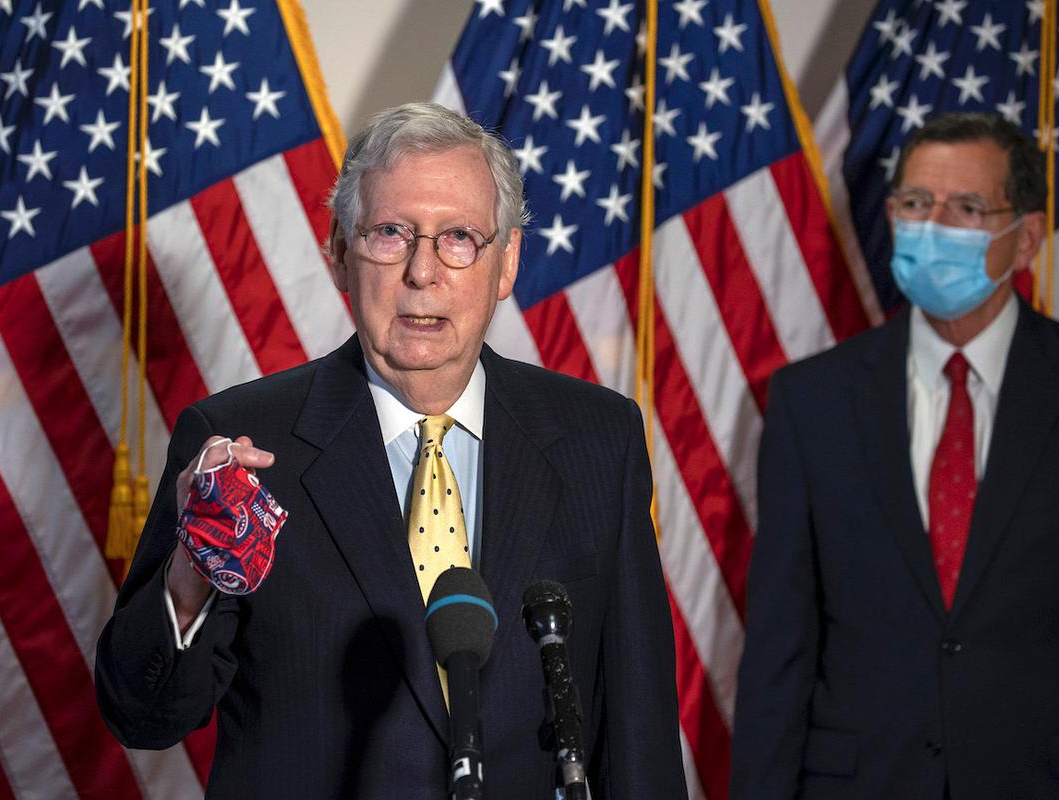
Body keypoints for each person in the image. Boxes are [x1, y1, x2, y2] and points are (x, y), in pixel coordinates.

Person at [95, 102, 686, 799]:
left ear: (506, 263)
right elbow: (143, 715)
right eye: (389, 234)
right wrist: (190, 576)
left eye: (459, 237)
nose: (422, 273)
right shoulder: (241, 447)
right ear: (341, 254)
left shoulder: (599, 437)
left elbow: (639, 735)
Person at [730, 111, 1059, 799]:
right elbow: (780, 649)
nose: (933, 225)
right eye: (917, 203)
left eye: (968, 207)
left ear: (1027, 238)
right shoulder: (813, 400)